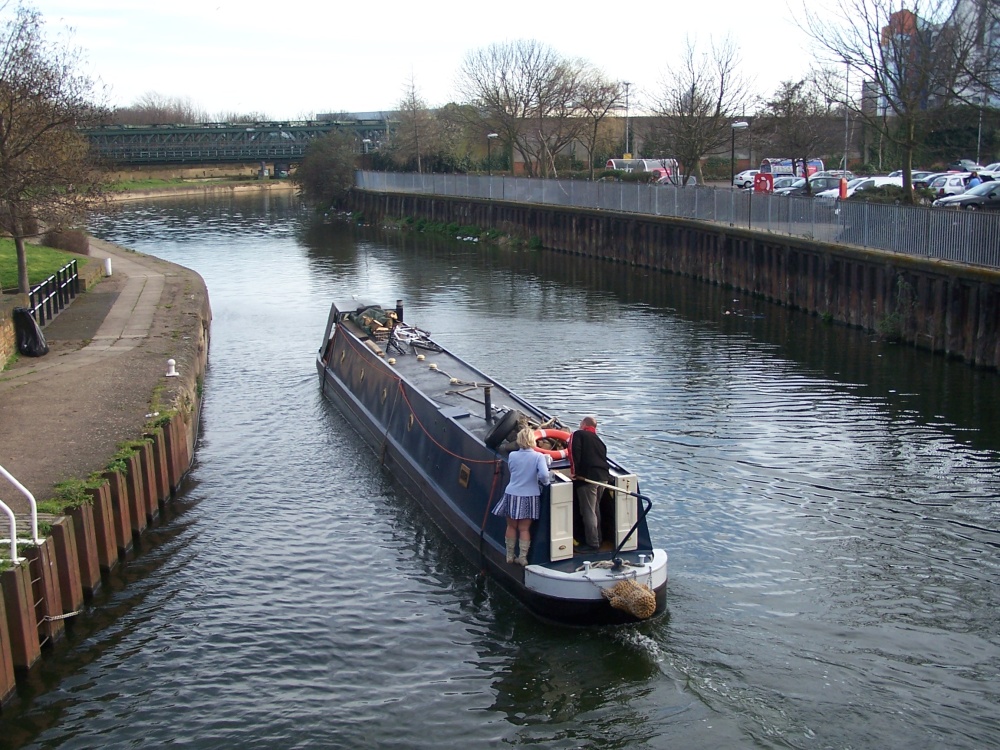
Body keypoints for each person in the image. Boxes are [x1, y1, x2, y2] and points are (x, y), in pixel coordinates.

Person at [491, 427, 551, 565]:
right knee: (524, 528)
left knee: (511, 526)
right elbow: (543, 475)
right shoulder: (538, 457)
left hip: (512, 493)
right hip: (529, 495)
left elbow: (513, 470)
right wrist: (546, 483)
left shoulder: (512, 455)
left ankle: (509, 555)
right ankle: (522, 558)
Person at [568, 416, 610, 552]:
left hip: (588, 478)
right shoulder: (599, 441)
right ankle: (599, 538)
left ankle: (592, 543)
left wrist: (574, 473)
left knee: (588, 511)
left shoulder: (578, 434)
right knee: (595, 509)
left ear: (583, 424)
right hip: (603, 477)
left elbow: (574, 453)